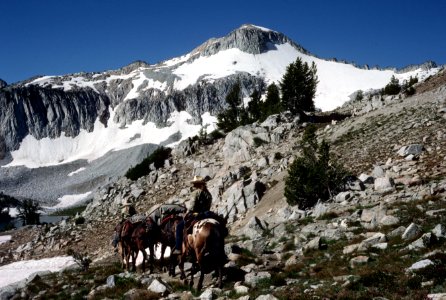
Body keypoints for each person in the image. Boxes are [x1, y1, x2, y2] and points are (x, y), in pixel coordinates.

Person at [172, 176, 212, 255]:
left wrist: (187, 213)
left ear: (197, 184)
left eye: (194, 183)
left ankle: (178, 248)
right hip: (207, 214)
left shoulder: (196, 193)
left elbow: (192, 207)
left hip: (197, 214)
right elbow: (209, 205)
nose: (193, 185)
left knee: (180, 227)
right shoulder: (208, 193)